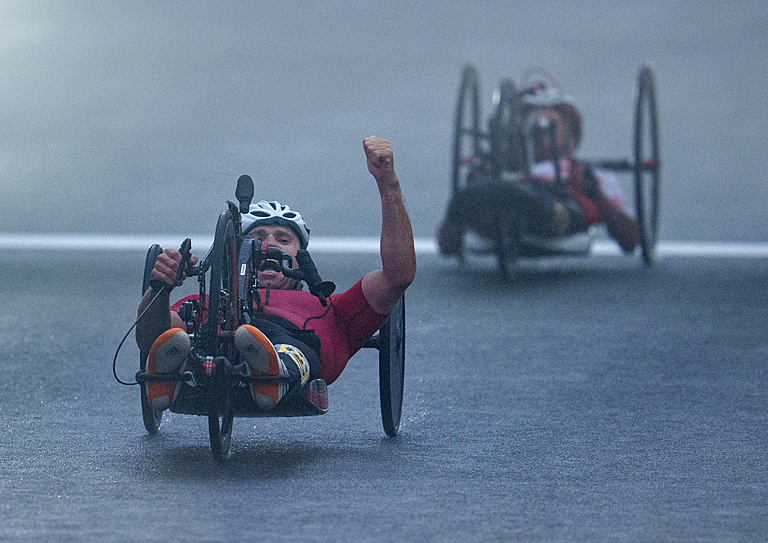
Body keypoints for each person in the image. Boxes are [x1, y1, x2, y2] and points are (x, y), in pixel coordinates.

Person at [136, 137, 416, 411]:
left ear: (301, 258)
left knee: (290, 347)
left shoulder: (332, 309)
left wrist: (388, 185)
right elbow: (149, 336)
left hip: (289, 346)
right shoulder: (205, 302)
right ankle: (174, 372)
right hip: (212, 351)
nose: (269, 245)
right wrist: (160, 287)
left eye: (283, 239)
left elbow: (398, 276)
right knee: (175, 335)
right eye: (257, 238)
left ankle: (275, 372)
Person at [438, 74, 639, 255]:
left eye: (547, 125)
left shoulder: (589, 174)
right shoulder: (500, 166)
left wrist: (597, 195)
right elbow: (446, 246)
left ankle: (510, 197)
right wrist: (475, 181)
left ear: (570, 133)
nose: (538, 133)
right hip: (501, 201)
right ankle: (498, 198)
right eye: (531, 125)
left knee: (520, 196)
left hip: (555, 209)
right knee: (485, 191)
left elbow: (630, 241)